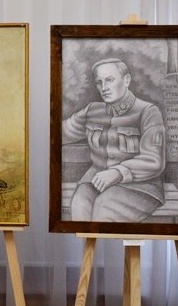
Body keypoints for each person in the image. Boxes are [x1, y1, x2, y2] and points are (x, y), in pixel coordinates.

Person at [62, 58, 166, 222]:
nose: (104, 88)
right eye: (99, 82)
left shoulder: (147, 111)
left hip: (140, 186)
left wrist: (118, 172)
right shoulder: (92, 110)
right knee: (79, 204)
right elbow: (60, 133)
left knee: (104, 209)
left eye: (109, 80)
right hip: (95, 182)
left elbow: (154, 160)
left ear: (126, 80)